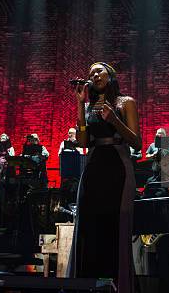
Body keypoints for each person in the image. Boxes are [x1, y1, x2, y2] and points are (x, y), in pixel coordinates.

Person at [68, 62, 141, 293]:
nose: (94, 74)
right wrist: (80, 105)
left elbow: (137, 143)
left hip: (118, 167)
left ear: (111, 75)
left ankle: (117, 286)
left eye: (99, 71)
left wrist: (114, 120)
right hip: (94, 167)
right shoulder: (90, 107)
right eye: (90, 73)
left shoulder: (125, 102)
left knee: (114, 227)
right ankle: (86, 285)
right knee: (89, 227)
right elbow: (82, 142)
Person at [144, 128, 169, 196]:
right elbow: (146, 156)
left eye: (162, 133)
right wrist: (153, 154)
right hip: (155, 172)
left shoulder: (168, 144)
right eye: (158, 133)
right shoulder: (152, 145)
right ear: (156, 134)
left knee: (163, 193)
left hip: (165, 172)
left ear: (165, 135)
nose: (160, 134)